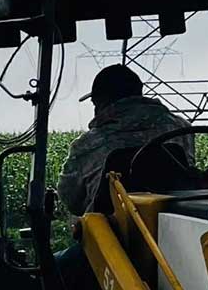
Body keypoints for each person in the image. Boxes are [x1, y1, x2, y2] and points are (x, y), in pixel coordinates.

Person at [56, 64, 193, 216]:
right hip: (175, 225)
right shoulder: (182, 129)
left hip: (111, 235)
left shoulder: (87, 145)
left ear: (101, 102)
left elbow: (71, 200)